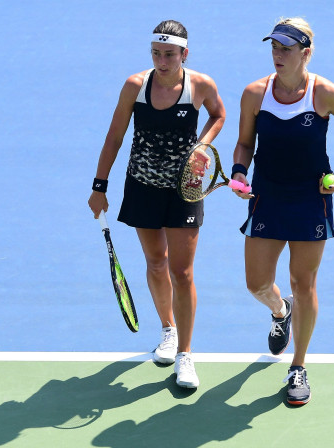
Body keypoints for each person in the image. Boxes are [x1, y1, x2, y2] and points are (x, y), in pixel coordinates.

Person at [230, 17, 334, 405]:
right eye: (274, 46)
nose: (278, 54)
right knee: (256, 283)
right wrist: (240, 171)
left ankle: (298, 366)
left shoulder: (323, 93)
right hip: (268, 196)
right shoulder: (254, 93)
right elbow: (244, 143)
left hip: (310, 197)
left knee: (302, 283)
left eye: (286, 48)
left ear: (305, 53)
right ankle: (279, 312)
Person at [88, 20, 226, 389]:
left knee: (182, 272)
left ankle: (185, 353)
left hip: (184, 189)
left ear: (184, 54)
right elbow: (115, 135)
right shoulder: (136, 86)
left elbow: (219, 114)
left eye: (169, 54)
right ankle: (168, 329)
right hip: (143, 186)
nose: (162, 61)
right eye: (156, 53)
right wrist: (99, 186)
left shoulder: (201, 85)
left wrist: (202, 145)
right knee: (155, 261)